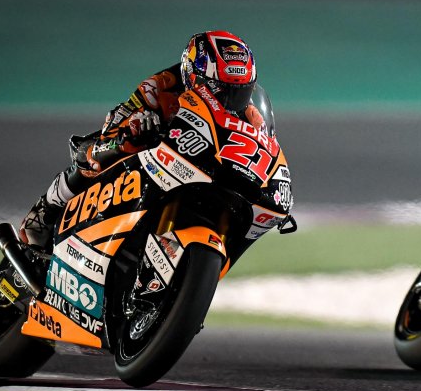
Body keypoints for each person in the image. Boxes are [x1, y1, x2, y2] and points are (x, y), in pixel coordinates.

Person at [19, 30, 266, 248]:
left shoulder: (250, 113)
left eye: (240, 92)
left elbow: (264, 150)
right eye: (218, 90)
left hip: (200, 171)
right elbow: (111, 130)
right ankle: (46, 208)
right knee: (95, 154)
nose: (228, 101)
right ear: (192, 76)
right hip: (153, 154)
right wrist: (137, 129)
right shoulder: (158, 88)